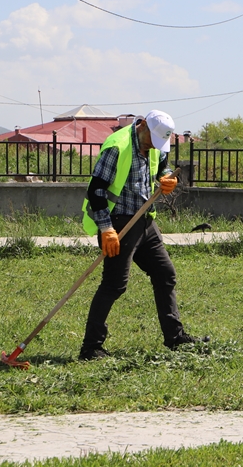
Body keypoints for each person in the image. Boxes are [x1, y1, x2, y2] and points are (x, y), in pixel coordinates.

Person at [78, 110, 203, 360]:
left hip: (145, 220)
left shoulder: (156, 143)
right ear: (143, 125)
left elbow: (163, 168)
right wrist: (106, 229)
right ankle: (91, 347)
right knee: (114, 284)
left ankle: (175, 337)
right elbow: (96, 190)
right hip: (119, 222)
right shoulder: (117, 146)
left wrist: (167, 179)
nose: (153, 146)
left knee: (164, 274)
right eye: (151, 140)